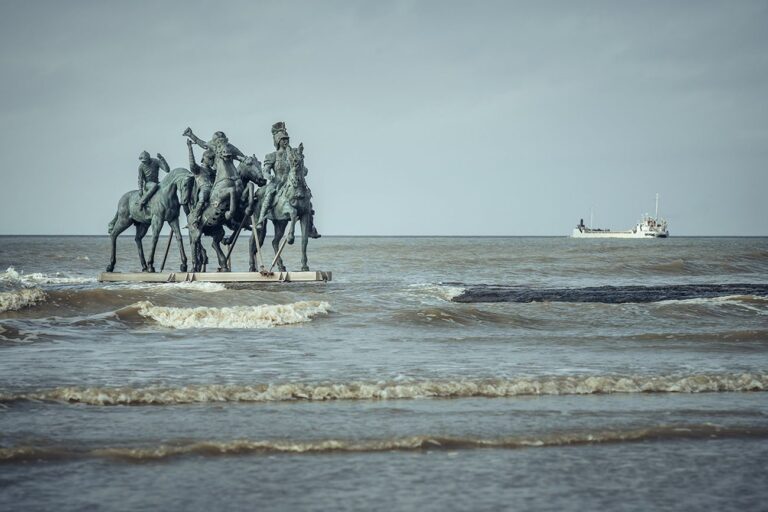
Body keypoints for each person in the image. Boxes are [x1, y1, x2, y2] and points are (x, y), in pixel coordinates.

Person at [256, 122, 320, 238]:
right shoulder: (272, 156)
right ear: (277, 141)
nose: (286, 141)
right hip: (277, 182)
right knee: (269, 193)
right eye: (283, 139)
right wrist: (268, 175)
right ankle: (261, 219)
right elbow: (265, 170)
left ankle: (310, 227)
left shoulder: (293, 154)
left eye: (287, 139)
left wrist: (302, 170)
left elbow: (302, 167)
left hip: (292, 183)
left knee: (307, 200)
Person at [186, 139, 215, 227]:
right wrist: (190, 148)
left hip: (214, 189)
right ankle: (195, 217)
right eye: (210, 158)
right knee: (203, 197)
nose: (212, 160)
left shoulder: (214, 171)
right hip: (204, 188)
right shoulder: (198, 169)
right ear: (203, 159)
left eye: (212, 159)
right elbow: (192, 163)